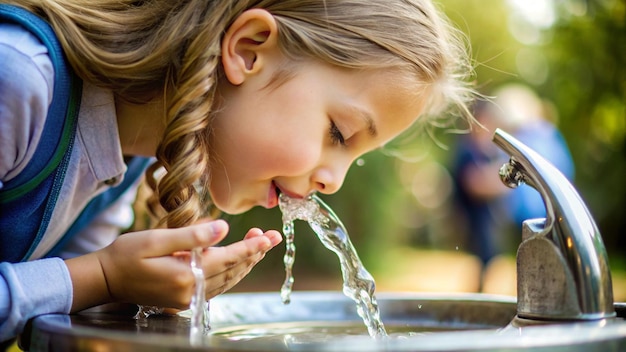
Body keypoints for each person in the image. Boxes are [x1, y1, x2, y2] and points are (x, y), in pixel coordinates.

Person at [0, 0, 475, 343]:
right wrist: (102, 276)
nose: (334, 181)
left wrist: (138, 291)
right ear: (248, 51)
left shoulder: (126, 163)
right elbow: (72, 280)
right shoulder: (19, 79)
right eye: (339, 134)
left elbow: (52, 303)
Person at [450, 83, 574, 289]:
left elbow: (492, 178)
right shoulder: (550, 137)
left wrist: (494, 184)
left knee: (531, 260)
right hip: (540, 212)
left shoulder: (532, 140)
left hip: (533, 213)